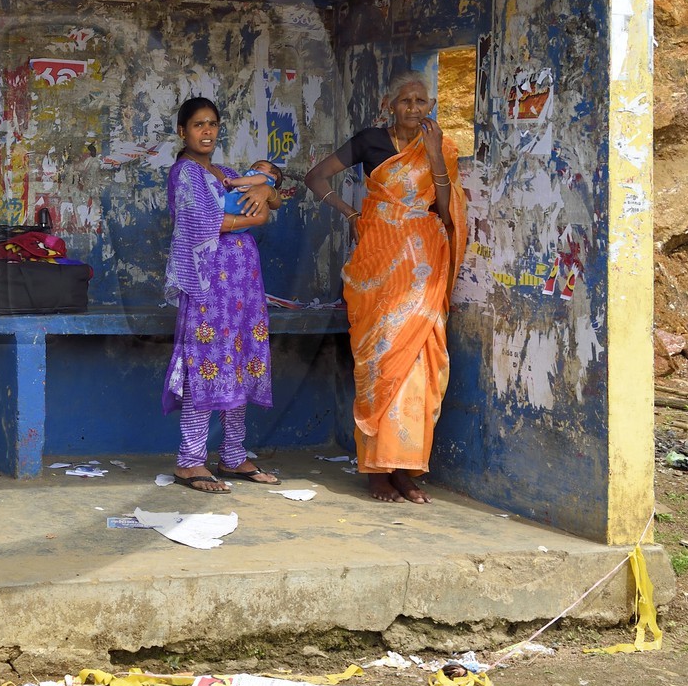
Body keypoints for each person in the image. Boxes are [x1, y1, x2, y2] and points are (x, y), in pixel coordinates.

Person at [303, 72, 468, 505]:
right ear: (389, 104)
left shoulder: (441, 146)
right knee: (379, 365)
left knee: (421, 367)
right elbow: (315, 177)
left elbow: (448, 212)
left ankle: (407, 472)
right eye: (406, 100)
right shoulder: (370, 141)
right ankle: (377, 471)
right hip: (377, 265)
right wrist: (351, 215)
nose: (414, 108)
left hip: (423, 268)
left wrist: (434, 157)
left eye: (421, 100)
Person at [163, 97, 283, 493]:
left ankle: (233, 454)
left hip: (242, 285)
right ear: (182, 132)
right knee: (207, 361)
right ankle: (190, 460)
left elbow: (274, 200)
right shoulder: (186, 172)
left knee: (240, 358)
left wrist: (265, 189)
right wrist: (253, 214)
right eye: (198, 125)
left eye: (212, 124)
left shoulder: (228, 172)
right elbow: (202, 223)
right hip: (206, 284)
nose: (207, 132)